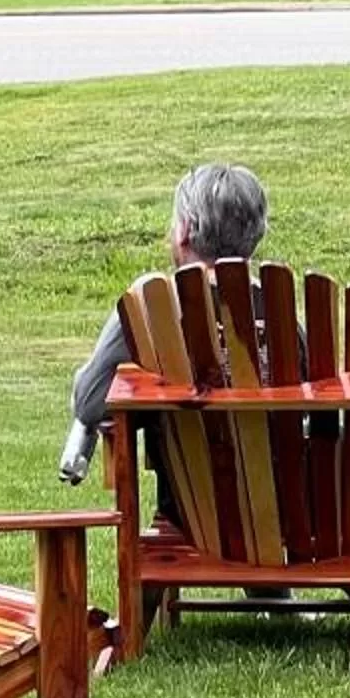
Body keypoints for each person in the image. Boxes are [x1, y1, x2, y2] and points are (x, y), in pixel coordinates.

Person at [61, 161, 269, 482]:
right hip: (283, 519)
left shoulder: (150, 307)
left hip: (184, 518)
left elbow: (89, 403)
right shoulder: (275, 308)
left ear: (185, 230)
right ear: (255, 234)